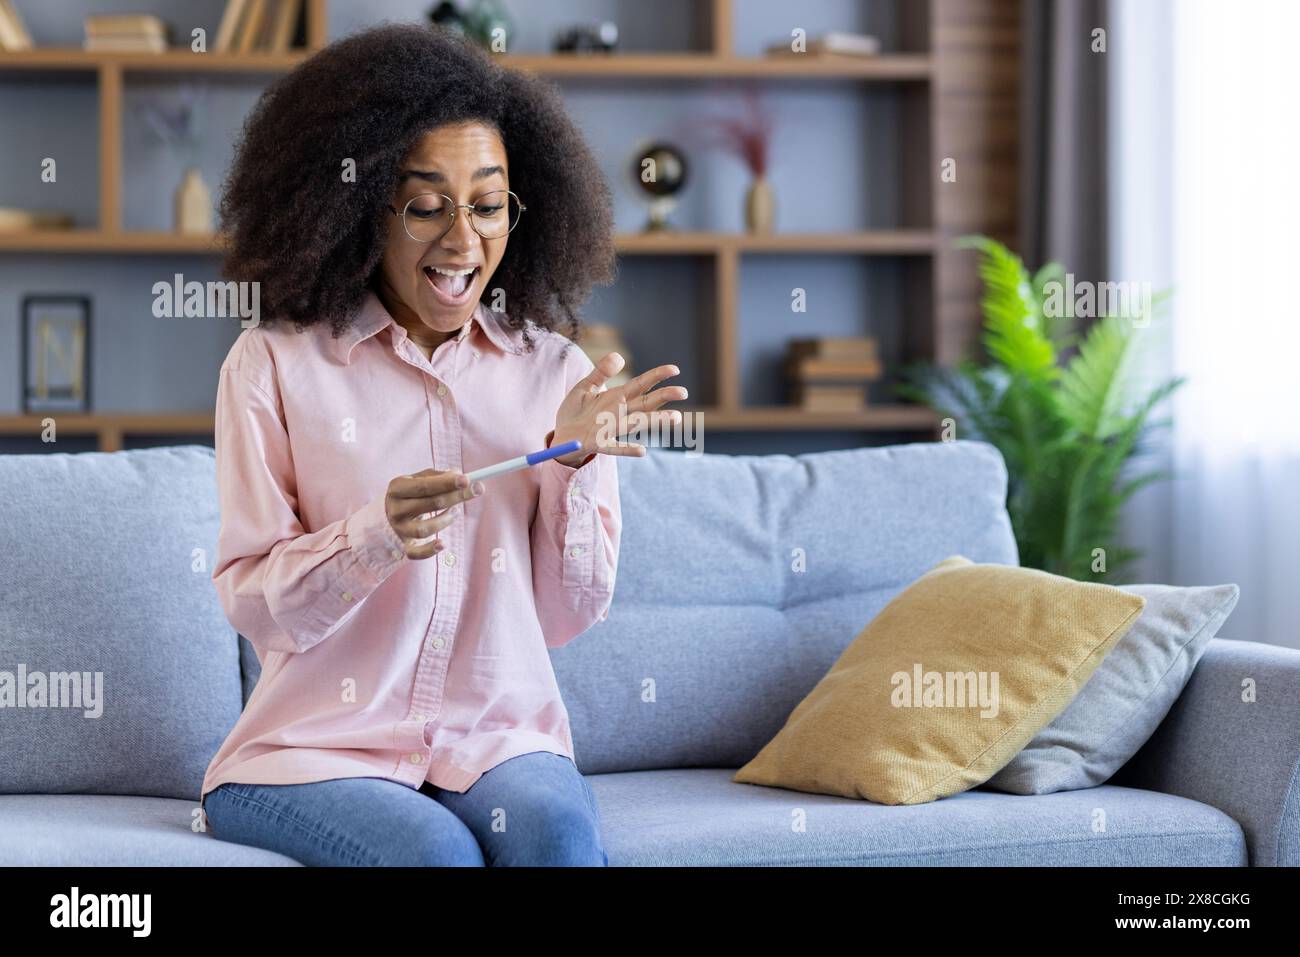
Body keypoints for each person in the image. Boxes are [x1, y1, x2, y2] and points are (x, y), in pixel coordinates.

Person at [198, 23, 686, 866]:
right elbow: (251, 603)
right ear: (355, 206)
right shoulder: (272, 363)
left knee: (558, 838)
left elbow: (569, 616)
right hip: (313, 751)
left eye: (488, 205)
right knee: (437, 857)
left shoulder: (554, 375)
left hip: (493, 740)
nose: (463, 240)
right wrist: (370, 538)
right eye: (426, 206)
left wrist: (574, 464)